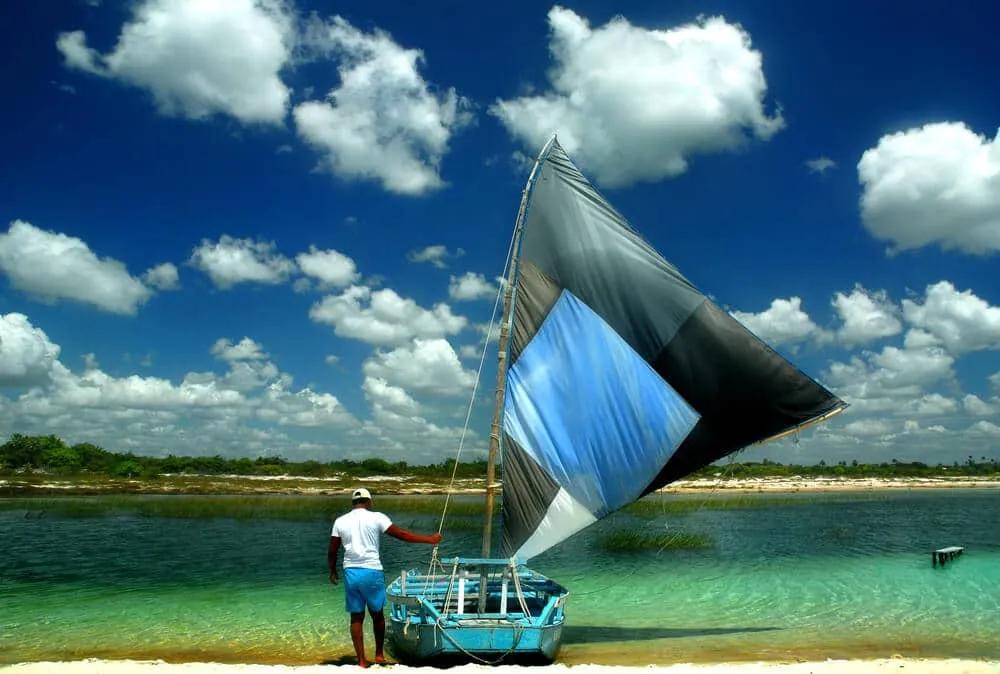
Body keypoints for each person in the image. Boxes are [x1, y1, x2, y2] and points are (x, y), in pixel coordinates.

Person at [329, 487, 442, 667]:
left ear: (353, 502)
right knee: (377, 615)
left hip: (351, 572)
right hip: (372, 571)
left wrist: (332, 571)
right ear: (369, 501)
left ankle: (361, 661)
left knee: (356, 617)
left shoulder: (340, 521)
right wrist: (430, 540)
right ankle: (379, 655)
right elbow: (403, 535)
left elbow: (332, 549)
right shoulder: (377, 517)